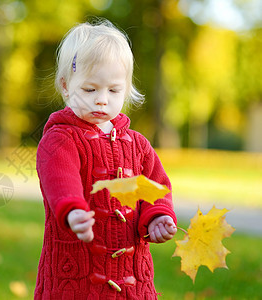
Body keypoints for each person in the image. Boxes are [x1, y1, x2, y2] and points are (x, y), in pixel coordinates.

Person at [34, 18, 177, 299]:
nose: (102, 99)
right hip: (78, 278)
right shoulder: (60, 139)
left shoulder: (138, 145)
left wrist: (158, 216)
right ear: (65, 86)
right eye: (90, 89)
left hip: (131, 279)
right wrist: (73, 210)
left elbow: (154, 187)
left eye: (113, 90)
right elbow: (60, 179)